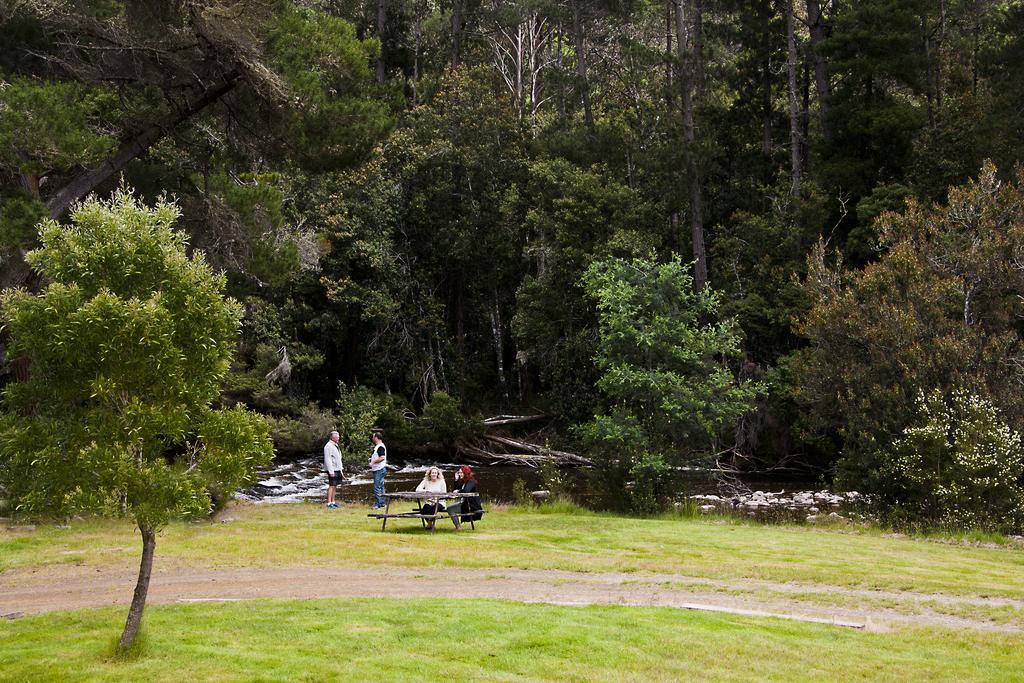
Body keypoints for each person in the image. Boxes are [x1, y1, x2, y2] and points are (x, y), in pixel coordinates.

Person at [415, 466, 459, 530]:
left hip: (440, 502)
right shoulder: (426, 481)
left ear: (438, 474)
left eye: (435, 473)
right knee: (424, 510)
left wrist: (436, 497)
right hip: (429, 502)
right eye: (432, 473)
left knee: (434, 508)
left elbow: (444, 494)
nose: (434, 474)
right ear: (430, 474)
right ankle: (430, 524)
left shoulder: (441, 481)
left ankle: (430, 522)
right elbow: (417, 489)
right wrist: (426, 491)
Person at [323, 430, 343, 509]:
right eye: (337, 437)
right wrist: (331, 471)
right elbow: (327, 459)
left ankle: (333, 501)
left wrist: (341, 468)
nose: (338, 438)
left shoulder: (335, 445)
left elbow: (338, 458)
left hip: (337, 468)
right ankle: (329, 503)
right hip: (332, 469)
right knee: (331, 485)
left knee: (335, 485)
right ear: (333, 437)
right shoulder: (328, 446)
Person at [369, 430, 388, 509]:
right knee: (381, 486)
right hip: (379, 469)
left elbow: (382, 457)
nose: (372, 438)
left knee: (377, 487)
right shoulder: (379, 446)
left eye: (373, 437)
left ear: (376, 437)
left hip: (379, 469)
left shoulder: (380, 446)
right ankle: (382, 503)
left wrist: (372, 462)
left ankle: (378, 504)